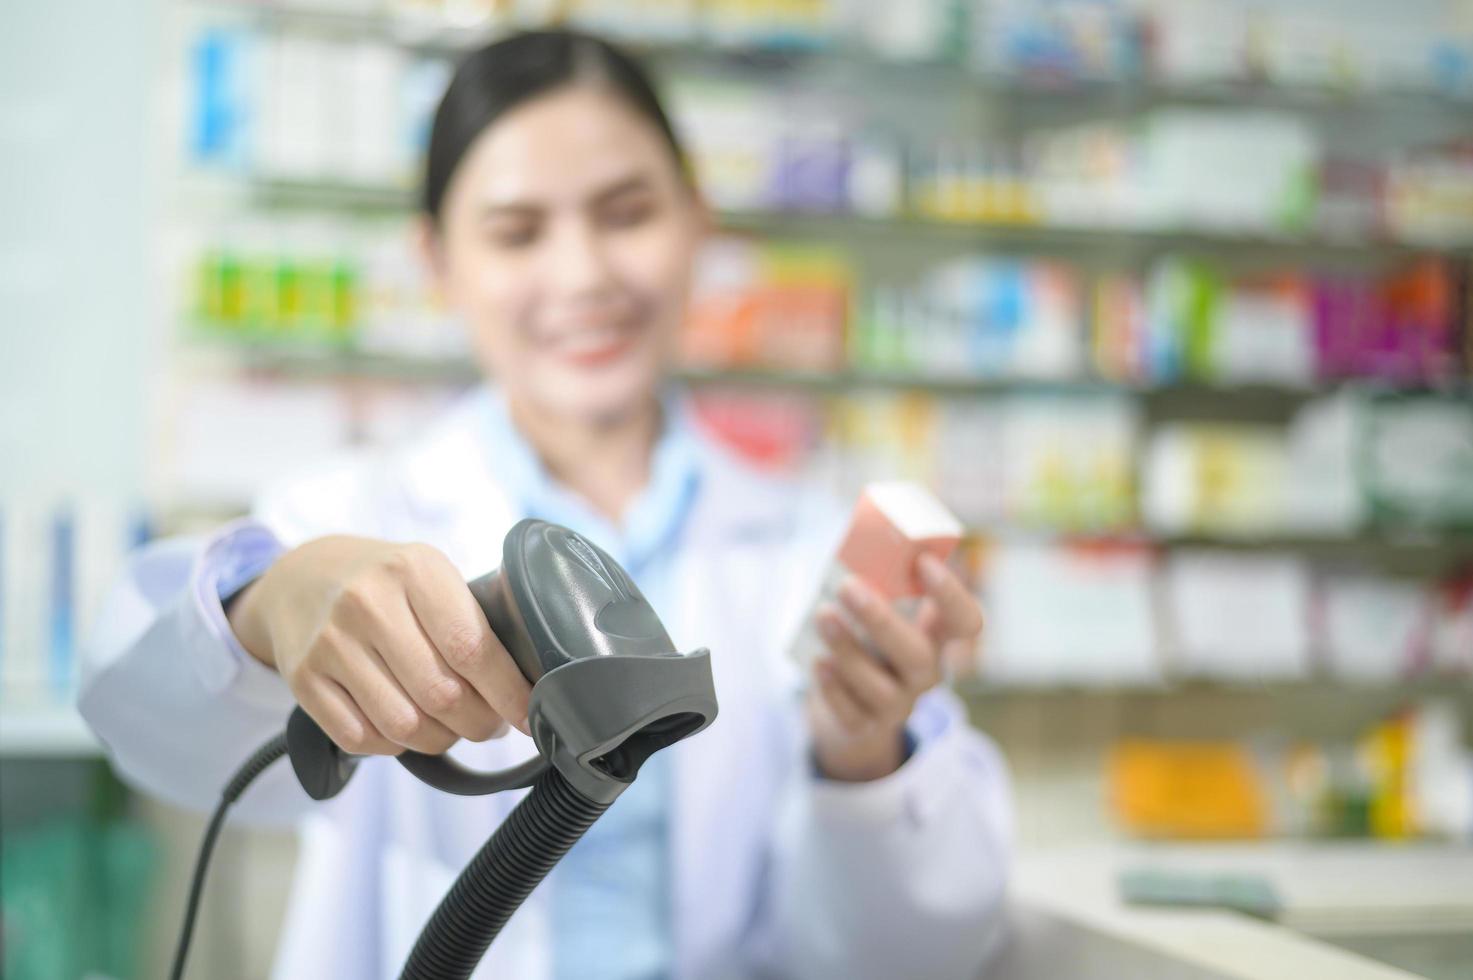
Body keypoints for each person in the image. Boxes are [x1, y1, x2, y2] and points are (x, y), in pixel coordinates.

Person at [79, 29, 1012, 980]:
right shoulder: (343, 507)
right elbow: (138, 720)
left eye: (627, 213)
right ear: (438, 261)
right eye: (517, 232)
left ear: (698, 220)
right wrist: (271, 605)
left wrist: (861, 758)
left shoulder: (803, 549)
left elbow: (913, 952)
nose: (582, 276)